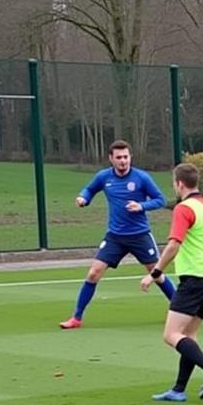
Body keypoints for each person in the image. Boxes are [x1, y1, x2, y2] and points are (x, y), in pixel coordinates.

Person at [59, 139, 176, 328]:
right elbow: (89, 189)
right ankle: (76, 318)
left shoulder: (141, 178)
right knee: (93, 273)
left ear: (130, 157)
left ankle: (180, 309)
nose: (123, 161)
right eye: (119, 157)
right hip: (115, 237)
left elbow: (160, 200)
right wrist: (83, 198)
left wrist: (141, 206)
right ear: (111, 159)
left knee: (156, 273)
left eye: (126, 157)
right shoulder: (103, 177)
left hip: (140, 235)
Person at [140, 162, 203, 402]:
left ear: (179, 184)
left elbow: (174, 243)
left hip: (196, 278)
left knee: (171, 335)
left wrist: (155, 272)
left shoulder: (184, 208)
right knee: (189, 334)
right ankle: (178, 390)